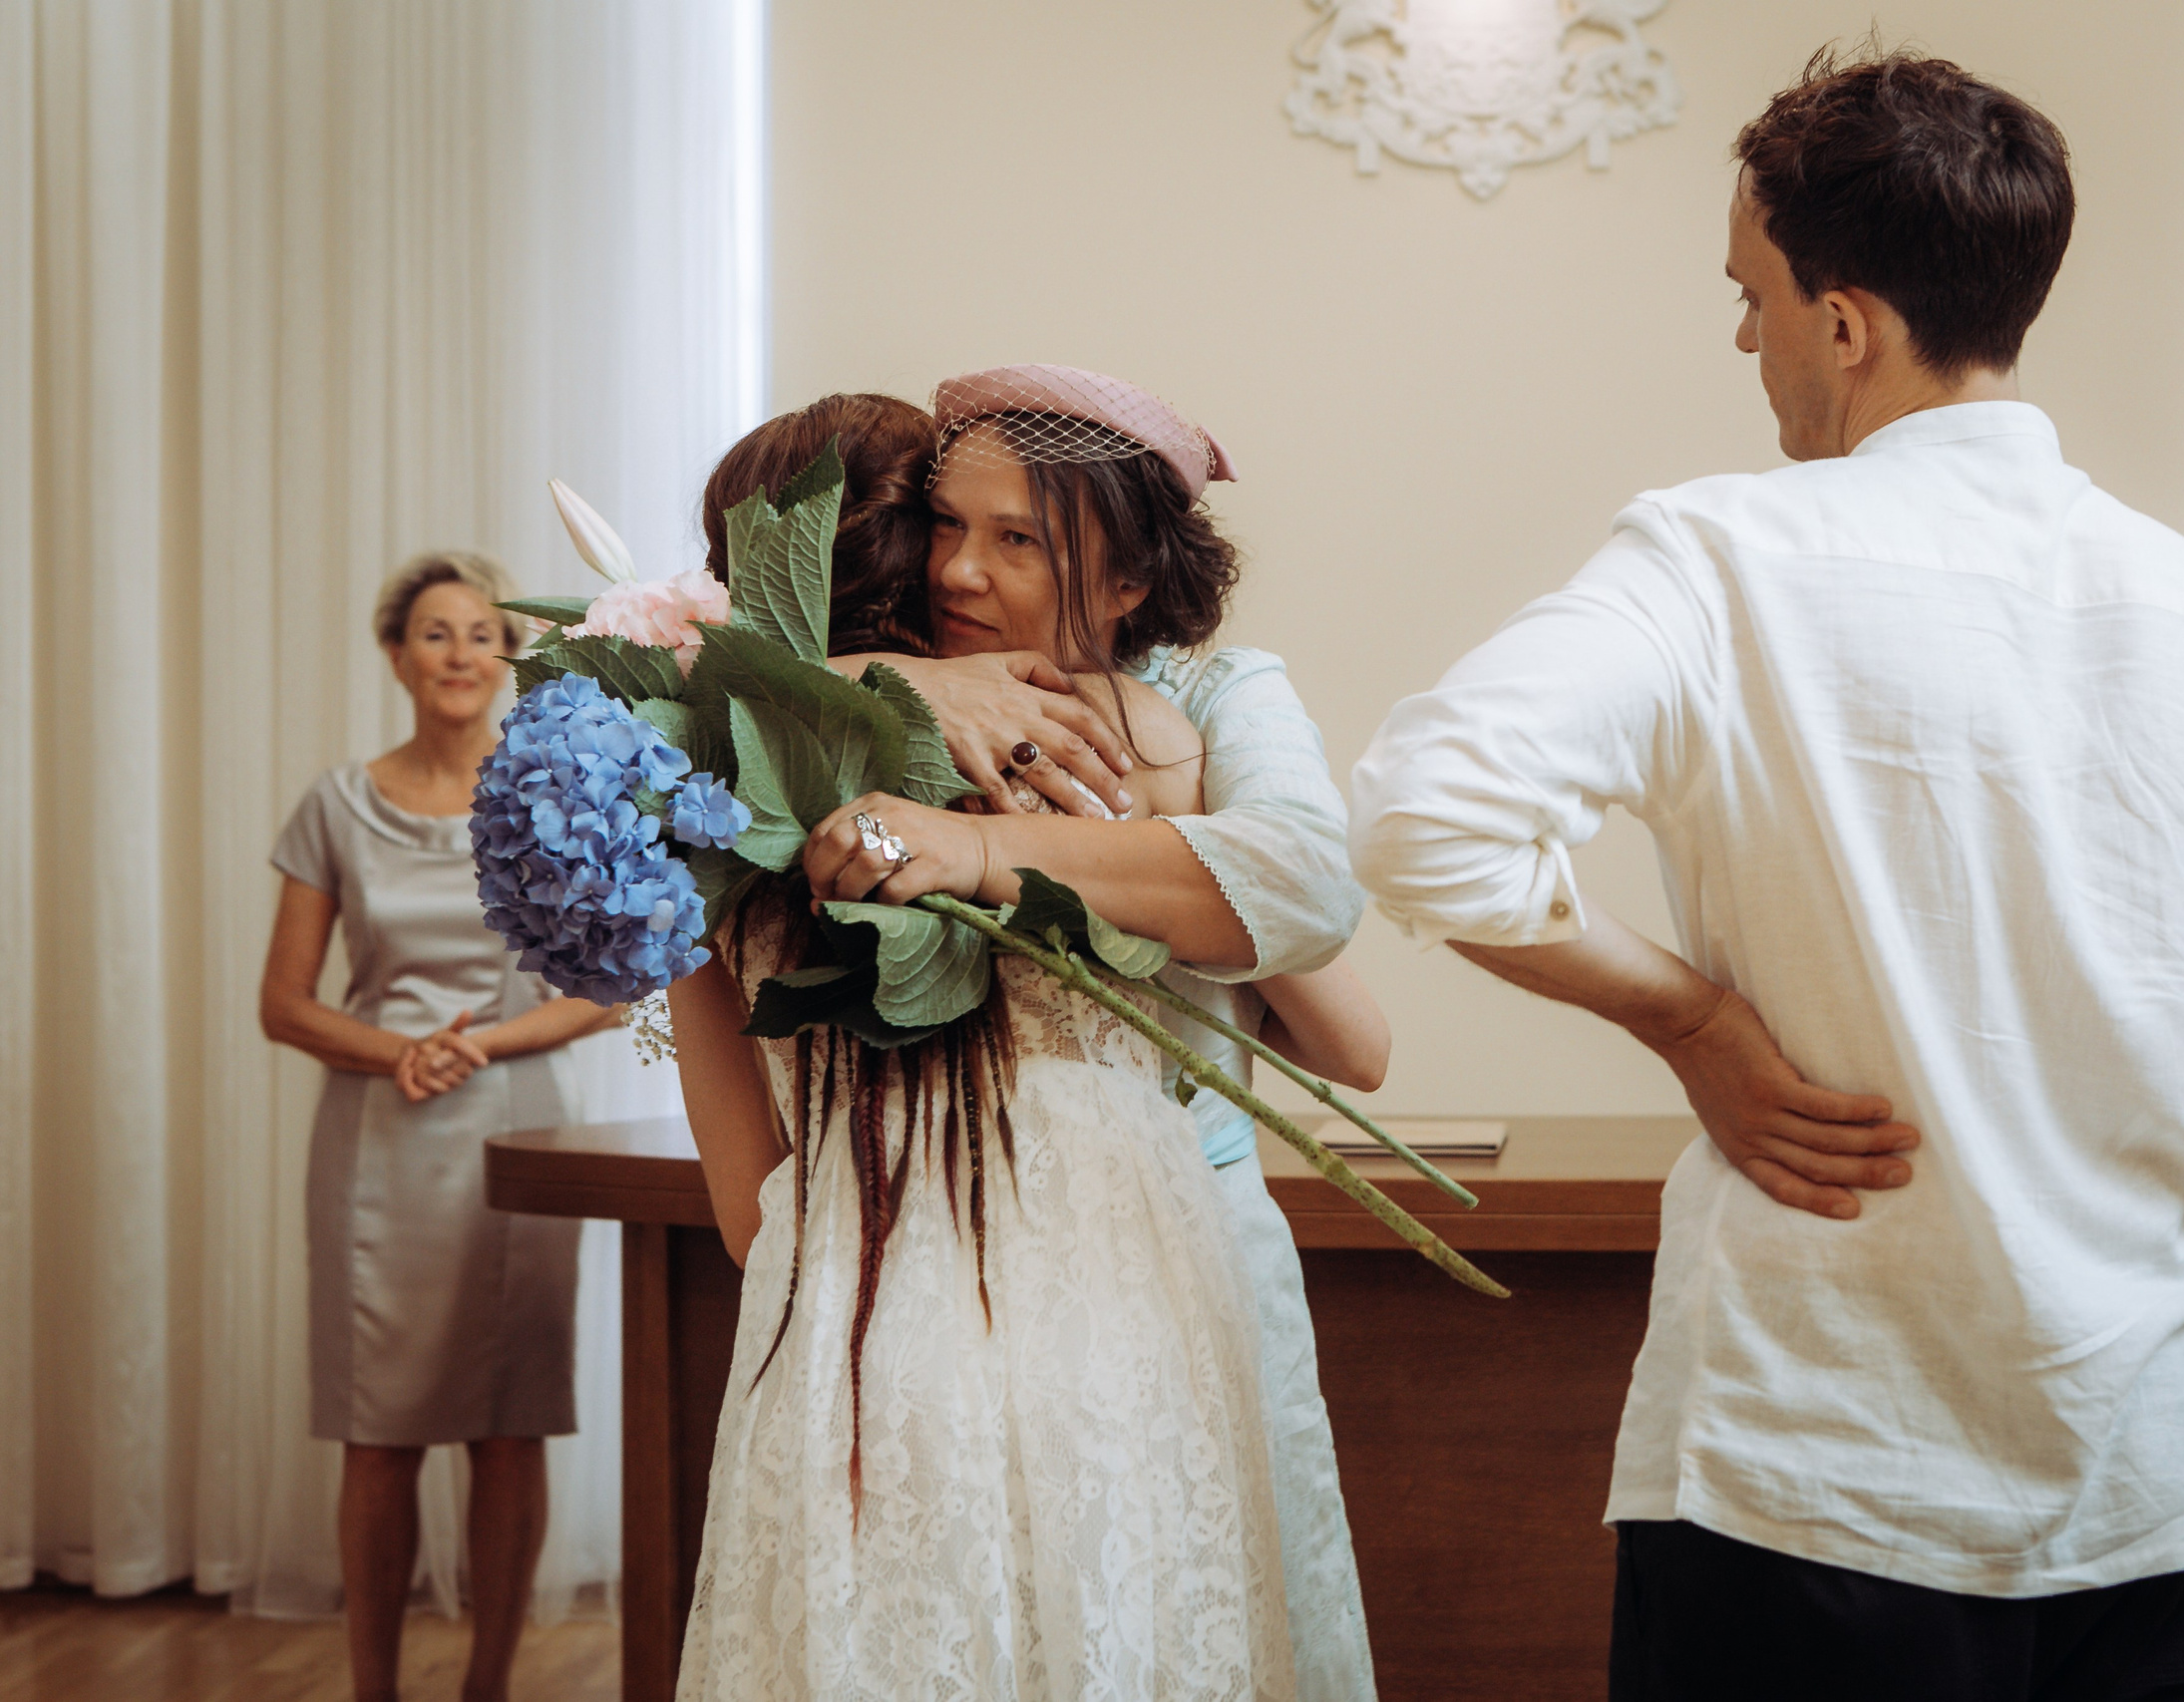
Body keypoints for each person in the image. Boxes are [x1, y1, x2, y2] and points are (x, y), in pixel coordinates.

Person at [1347, 47, 2184, 1702]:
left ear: (1846, 321)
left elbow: (1422, 811)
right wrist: (2146, 1450)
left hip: (1814, 1484)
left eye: (1751, 297)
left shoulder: (1725, 556)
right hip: (2143, 1507)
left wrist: (1691, 1020)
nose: (1745, 343)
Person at [669, 370, 1386, 1700]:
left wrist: (981, 840)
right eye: (950, 528)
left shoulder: (1181, 709)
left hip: (1051, 1272)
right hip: (1010, 1289)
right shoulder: (1109, 741)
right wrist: (869, 685)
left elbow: (1337, 986)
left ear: (1128, 580)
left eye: (1017, 539)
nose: (965, 569)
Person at [259, 551, 622, 1702]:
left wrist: (482, 1045)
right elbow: (285, 1002)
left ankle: (488, 1688)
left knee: (512, 1427)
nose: (461, 652)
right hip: (378, 1145)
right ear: (396, 655)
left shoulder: (549, 796)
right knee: (380, 1431)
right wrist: (401, 1052)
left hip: (517, 1141)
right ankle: (373, 1688)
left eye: (481, 633)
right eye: (435, 632)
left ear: (507, 660)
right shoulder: (336, 804)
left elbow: (609, 985)